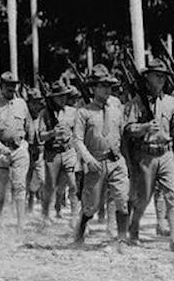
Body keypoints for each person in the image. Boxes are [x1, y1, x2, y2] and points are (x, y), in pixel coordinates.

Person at [125, 58, 174, 253]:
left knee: (171, 195)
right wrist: (143, 127)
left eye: (164, 76)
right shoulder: (136, 103)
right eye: (157, 75)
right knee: (143, 197)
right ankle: (133, 228)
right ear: (147, 78)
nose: (161, 79)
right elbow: (128, 129)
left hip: (166, 153)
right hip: (146, 155)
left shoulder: (171, 101)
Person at [72, 64, 130, 251]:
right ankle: (80, 232)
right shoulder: (84, 112)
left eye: (109, 86)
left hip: (116, 161)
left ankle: (121, 240)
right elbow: (77, 140)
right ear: (93, 88)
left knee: (122, 199)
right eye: (102, 85)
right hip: (95, 162)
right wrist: (89, 159)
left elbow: (122, 132)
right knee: (91, 205)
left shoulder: (116, 107)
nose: (107, 89)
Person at [0, 72, 31, 231]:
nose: (11, 88)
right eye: (7, 86)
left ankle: (21, 223)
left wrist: (26, 144)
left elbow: (28, 125)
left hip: (19, 149)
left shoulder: (21, 104)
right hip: (0, 152)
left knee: (20, 185)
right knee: (0, 188)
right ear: (1, 87)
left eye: (13, 85)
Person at [41, 81, 80, 228]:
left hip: (69, 151)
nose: (63, 99)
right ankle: (46, 215)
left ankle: (75, 216)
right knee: (50, 186)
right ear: (53, 98)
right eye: (59, 97)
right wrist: (52, 133)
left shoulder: (72, 112)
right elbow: (41, 136)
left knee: (73, 184)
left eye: (64, 96)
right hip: (52, 153)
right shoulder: (45, 113)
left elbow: (79, 131)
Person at [25, 87, 46, 217]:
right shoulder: (24, 117)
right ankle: (28, 205)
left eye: (38, 102)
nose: (36, 105)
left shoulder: (43, 115)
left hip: (40, 153)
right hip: (27, 153)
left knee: (42, 180)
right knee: (26, 181)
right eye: (33, 102)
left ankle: (45, 210)